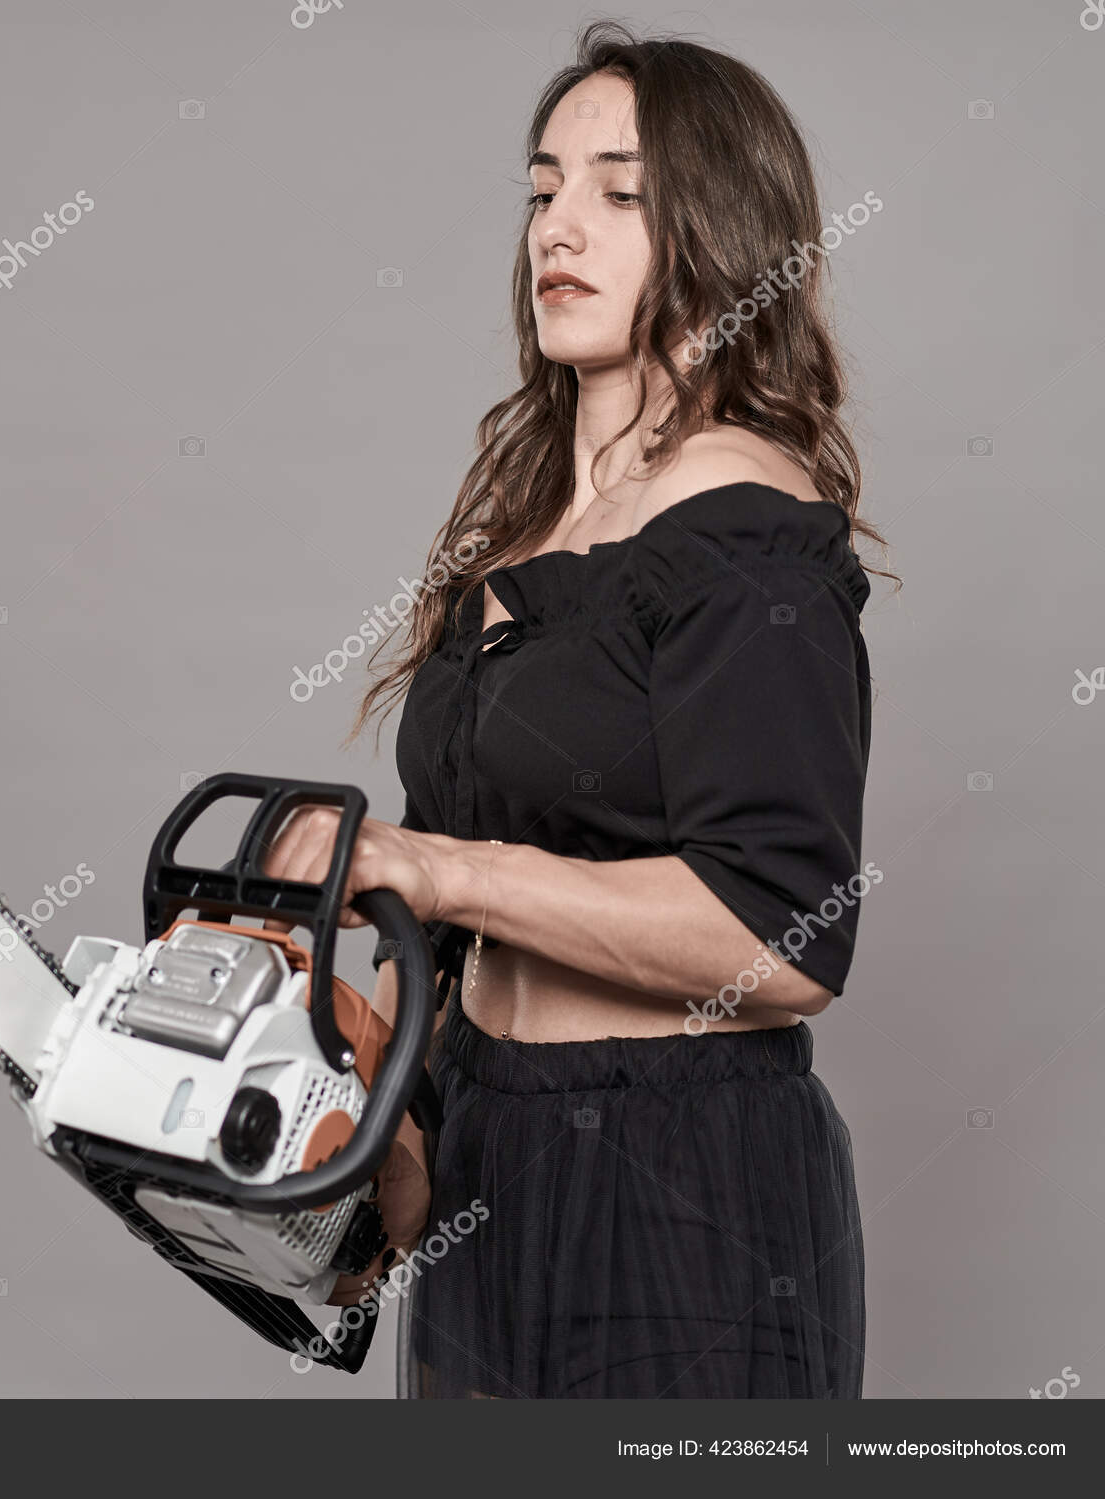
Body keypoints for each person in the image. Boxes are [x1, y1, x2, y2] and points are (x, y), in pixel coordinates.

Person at [260, 19, 893, 1398]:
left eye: (620, 191)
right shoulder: (521, 540)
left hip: (690, 1187)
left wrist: (436, 864)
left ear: (724, 228)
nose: (562, 225)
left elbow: (783, 937)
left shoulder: (748, 528)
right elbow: (433, 914)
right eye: (545, 189)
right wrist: (382, 1150)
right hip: (499, 1158)